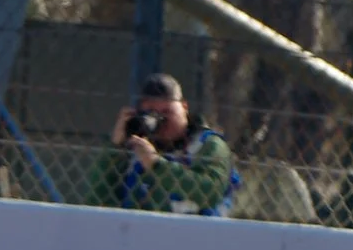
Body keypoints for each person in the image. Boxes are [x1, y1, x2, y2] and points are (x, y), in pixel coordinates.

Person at [85, 72, 238, 216]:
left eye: (167, 112)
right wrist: (115, 148)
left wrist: (156, 165)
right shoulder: (134, 148)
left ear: (184, 108)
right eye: (151, 112)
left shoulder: (208, 144)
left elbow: (211, 193)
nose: (161, 120)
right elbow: (95, 201)